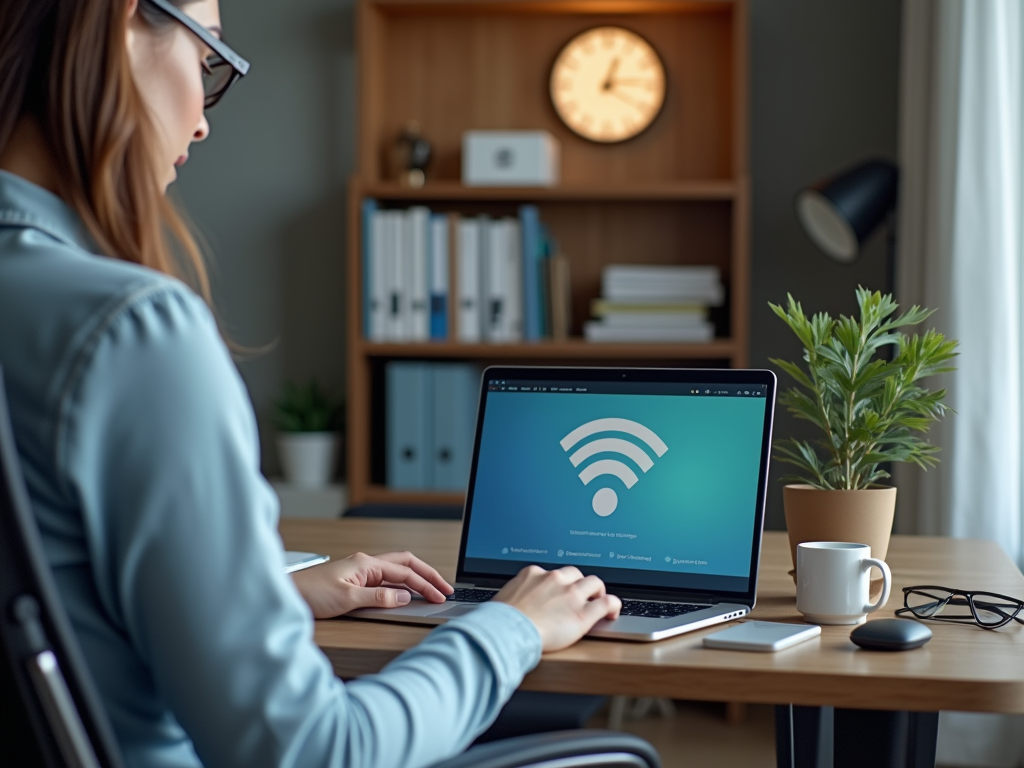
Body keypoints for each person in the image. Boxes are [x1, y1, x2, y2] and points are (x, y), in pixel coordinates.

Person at [0, 1, 622, 766]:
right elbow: (314, 751)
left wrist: (263, 597)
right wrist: (511, 628)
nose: (201, 122)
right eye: (207, 62)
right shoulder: (130, 332)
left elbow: (48, 598)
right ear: (124, 22)